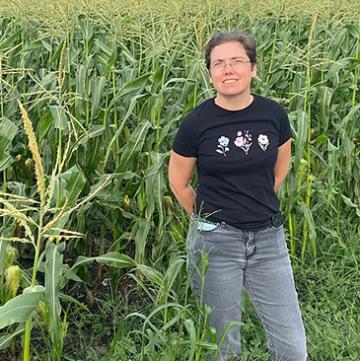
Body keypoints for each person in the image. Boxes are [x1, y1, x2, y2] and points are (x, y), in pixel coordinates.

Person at [168, 31, 307, 361]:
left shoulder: (273, 115)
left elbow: (279, 168)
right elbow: (179, 183)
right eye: (218, 63)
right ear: (210, 73)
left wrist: (252, 200)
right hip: (216, 244)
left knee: (293, 348)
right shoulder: (196, 124)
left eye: (236, 61)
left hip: (268, 241)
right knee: (224, 348)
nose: (227, 69)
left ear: (253, 69)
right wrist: (209, 220)